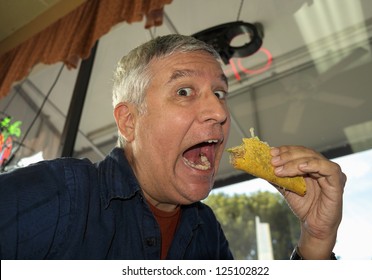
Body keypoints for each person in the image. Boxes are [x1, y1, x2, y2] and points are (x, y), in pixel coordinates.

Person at [0, 34, 346, 260]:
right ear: (128, 121)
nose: (219, 112)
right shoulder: (64, 193)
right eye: (184, 91)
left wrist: (316, 240)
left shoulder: (205, 231)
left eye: (220, 93)